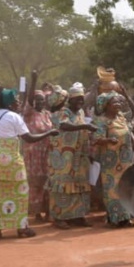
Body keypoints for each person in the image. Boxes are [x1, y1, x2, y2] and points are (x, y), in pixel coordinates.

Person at [0, 88, 57, 240]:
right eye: (15, 100)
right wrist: (49, 133)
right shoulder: (14, 117)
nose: (18, 102)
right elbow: (28, 138)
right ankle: (21, 227)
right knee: (20, 191)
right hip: (11, 158)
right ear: (9, 103)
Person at [49, 86, 96, 230]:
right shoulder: (63, 111)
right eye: (77, 99)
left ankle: (77, 215)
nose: (80, 102)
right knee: (63, 185)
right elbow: (64, 125)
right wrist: (85, 127)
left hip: (80, 155)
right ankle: (59, 217)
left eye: (82, 99)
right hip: (64, 157)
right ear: (70, 99)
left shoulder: (81, 112)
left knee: (80, 185)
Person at [93, 92, 134, 228]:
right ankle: (114, 218)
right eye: (114, 102)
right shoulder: (101, 120)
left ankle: (126, 217)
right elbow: (96, 139)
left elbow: (130, 127)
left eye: (119, 102)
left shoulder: (121, 117)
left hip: (125, 158)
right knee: (112, 189)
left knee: (126, 187)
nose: (118, 105)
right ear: (107, 105)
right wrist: (107, 140)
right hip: (110, 160)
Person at [22, 72, 53, 223]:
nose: (39, 102)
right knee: (35, 184)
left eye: (42, 100)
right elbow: (28, 100)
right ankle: (36, 213)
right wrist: (33, 81)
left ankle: (47, 210)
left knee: (48, 182)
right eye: (36, 100)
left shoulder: (47, 114)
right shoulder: (29, 114)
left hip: (47, 152)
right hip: (33, 153)